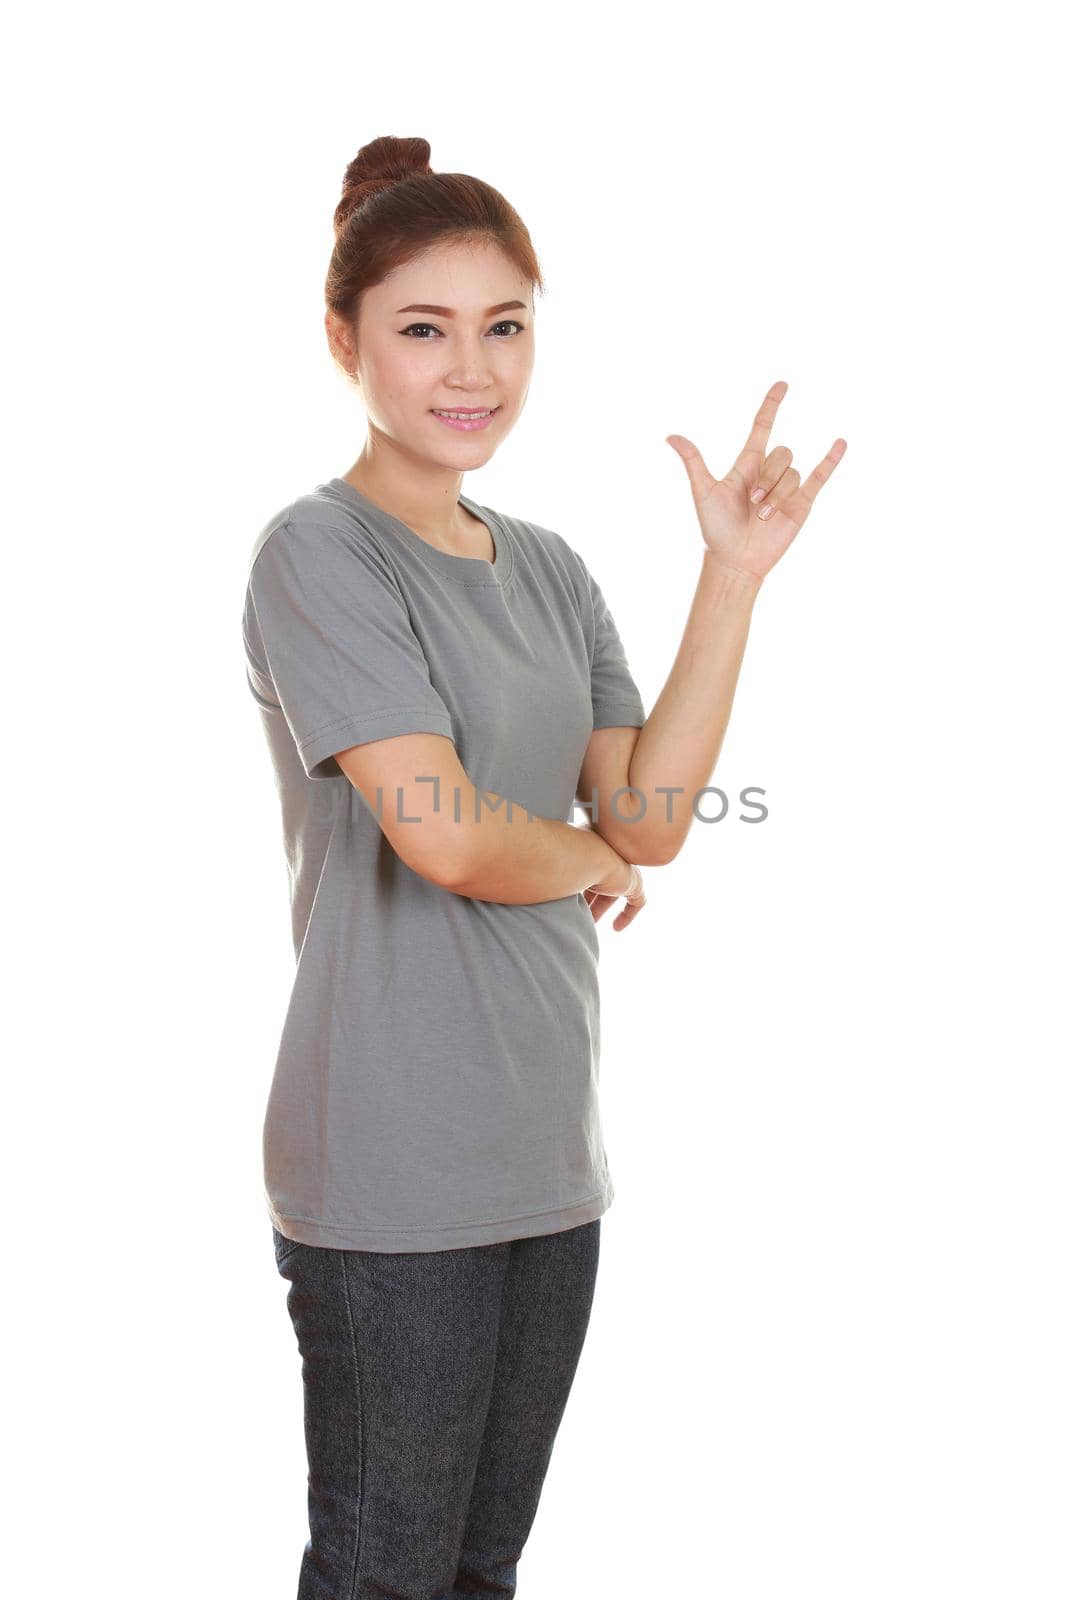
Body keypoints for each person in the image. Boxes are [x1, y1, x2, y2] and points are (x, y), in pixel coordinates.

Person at [241, 134, 845, 1600]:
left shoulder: (554, 565)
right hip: (390, 1162)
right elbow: (441, 827)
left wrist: (731, 577)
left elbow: (648, 817)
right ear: (346, 341)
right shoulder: (319, 555)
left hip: (542, 1156)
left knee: (479, 1572)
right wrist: (581, 851)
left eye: (505, 326)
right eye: (425, 329)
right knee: (387, 1575)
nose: (475, 369)